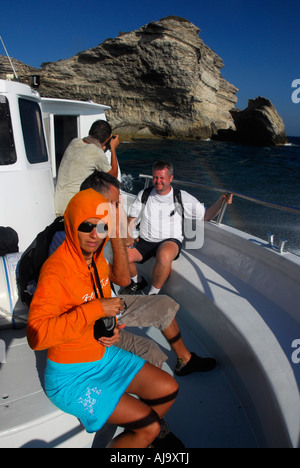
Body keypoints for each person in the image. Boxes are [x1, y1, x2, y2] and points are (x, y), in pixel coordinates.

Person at [27, 189, 179, 448]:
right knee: (149, 426)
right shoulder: (55, 271)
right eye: (87, 226)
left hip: (103, 355)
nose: (95, 235)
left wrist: (112, 330)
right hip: (71, 375)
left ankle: (135, 440)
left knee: (168, 389)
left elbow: (117, 284)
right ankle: (141, 436)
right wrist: (95, 309)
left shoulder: (96, 260)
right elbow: (36, 336)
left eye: (102, 226)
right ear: (73, 225)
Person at [122, 160, 233, 296]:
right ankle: (138, 281)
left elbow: (205, 215)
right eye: (155, 177)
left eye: (162, 178)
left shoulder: (181, 197)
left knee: (164, 255)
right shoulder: (144, 194)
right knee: (121, 255)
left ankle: (153, 294)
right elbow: (131, 220)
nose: (158, 181)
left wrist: (221, 202)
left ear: (170, 178)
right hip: (145, 240)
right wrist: (128, 235)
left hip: (169, 241)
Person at [54, 120, 120, 216]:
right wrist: (113, 149)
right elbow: (113, 175)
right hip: (74, 207)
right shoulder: (96, 152)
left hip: (59, 204)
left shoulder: (74, 142)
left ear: (90, 132)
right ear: (106, 140)